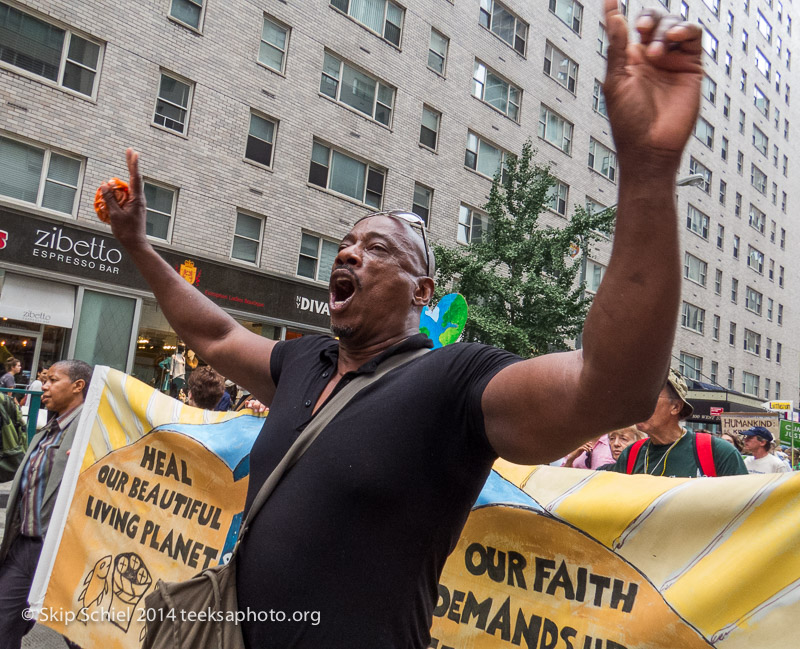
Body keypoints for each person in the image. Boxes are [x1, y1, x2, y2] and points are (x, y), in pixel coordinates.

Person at [100, 2, 704, 645]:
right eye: (347, 243)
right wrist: (139, 245)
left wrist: (646, 173)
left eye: (378, 248)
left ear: (424, 292)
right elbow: (216, 335)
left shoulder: (454, 382)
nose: (350, 252)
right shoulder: (306, 364)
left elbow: (611, 389)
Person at [0, 360, 92, 649]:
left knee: (80, 636)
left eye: (53, 380)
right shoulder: (47, 430)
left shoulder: (91, 429)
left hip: (65, 553)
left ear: (78, 386)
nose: (45, 386)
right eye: (44, 380)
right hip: (25, 547)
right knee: (2, 623)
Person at [610, 370, 747, 477]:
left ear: (675, 407)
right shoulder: (631, 454)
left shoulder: (719, 452)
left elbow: (747, 507)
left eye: (651, 396)